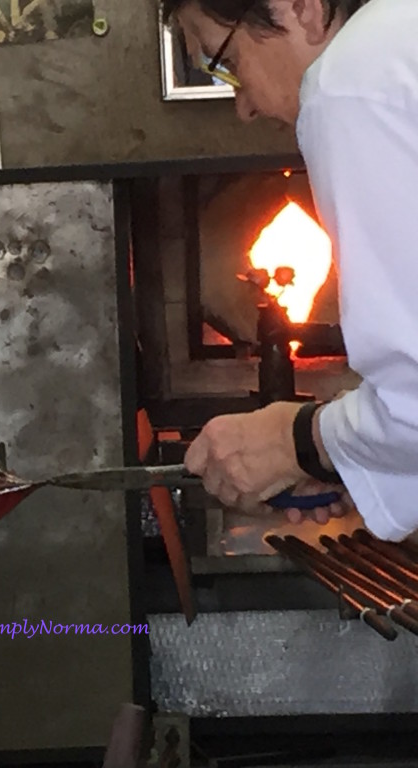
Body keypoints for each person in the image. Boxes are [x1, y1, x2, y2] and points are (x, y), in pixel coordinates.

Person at [162, 0, 418, 541]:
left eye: (224, 61)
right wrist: (347, 461)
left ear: (299, 7)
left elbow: (414, 397)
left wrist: (296, 440)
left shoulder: (350, 82)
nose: (242, 107)